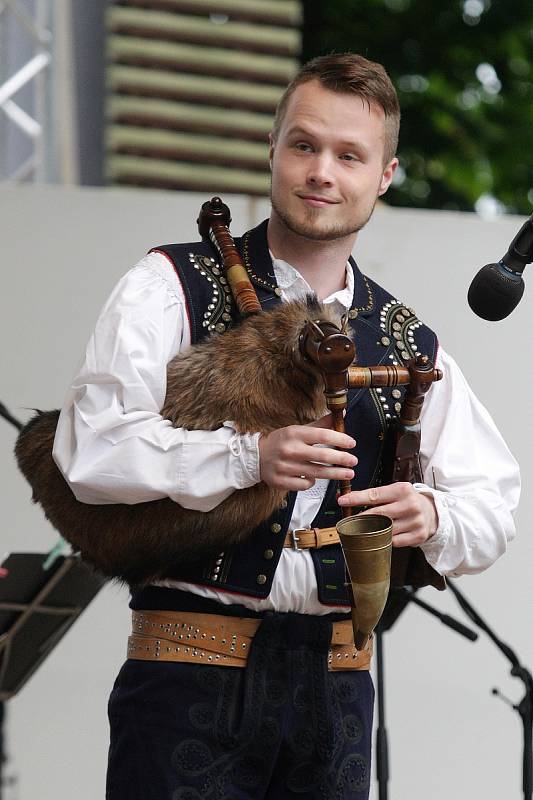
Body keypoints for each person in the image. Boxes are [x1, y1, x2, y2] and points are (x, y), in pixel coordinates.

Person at [53, 53, 519, 799]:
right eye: (303, 145)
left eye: (348, 155)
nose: (321, 172)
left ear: (385, 175)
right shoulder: (168, 284)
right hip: (187, 674)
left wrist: (431, 511)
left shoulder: (408, 341)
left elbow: (492, 505)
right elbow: (91, 450)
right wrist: (247, 457)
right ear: (271, 150)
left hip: (335, 690)